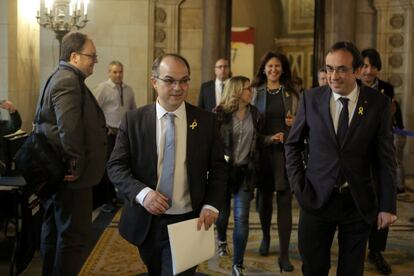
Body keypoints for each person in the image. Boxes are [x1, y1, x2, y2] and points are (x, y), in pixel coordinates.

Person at [107, 53, 228, 275]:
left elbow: (219, 168)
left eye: (184, 80)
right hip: (147, 222)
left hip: (189, 221)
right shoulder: (133, 121)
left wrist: (212, 204)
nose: (178, 87)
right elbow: (116, 166)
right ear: (154, 82)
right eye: (170, 80)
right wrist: (144, 194)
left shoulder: (205, 122)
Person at [285, 41, 397, 276]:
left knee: (351, 271)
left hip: (358, 201)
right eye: (329, 68)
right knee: (314, 269)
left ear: (357, 71)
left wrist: (387, 205)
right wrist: (299, 186)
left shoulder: (378, 104)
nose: (333, 76)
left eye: (341, 69)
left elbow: (385, 158)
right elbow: (293, 145)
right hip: (315, 199)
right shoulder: (310, 98)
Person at [37, 32, 107, 276]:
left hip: (61, 175)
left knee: (57, 233)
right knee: (73, 237)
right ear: (75, 56)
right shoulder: (68, 80)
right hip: (70, 179)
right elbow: (69, 128)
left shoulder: (64, 77)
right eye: (92, 56)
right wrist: (75, 167)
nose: (95, 61)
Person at [252, 51, 299, 272]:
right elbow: (250, 127)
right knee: (263, 200)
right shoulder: (254, 93)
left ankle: (284, 254)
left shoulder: (292, 93)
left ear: (283, 69)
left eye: (277, 66)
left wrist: (294, 124)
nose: (273, 70)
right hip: (262, 151)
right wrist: (267, 139)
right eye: (270, 66)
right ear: (263, 69)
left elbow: (302, 123)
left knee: (284, 200)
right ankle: (265, 236)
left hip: (285, 152)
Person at [360, 47, 403, 274]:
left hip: (379, 154)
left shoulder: (386, 89)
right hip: (357, 157)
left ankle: (376, 250)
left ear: (378, 68)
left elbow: (395, 119)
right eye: (364, 66)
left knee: (381, 202)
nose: (368, 71)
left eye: (372, 66)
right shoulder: (352, 88)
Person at [213, 76, 261, 276]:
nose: (252, 91)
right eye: (248, 88)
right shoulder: (220, 114)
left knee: (242, 218)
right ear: (237, 91)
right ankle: (222, 239)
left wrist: (271, 139)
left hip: (245, 174)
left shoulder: (256, 114)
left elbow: (257, 139)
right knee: (223, 216)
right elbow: (212, 144)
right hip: (224, 173)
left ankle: (237, 264)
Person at [94, 60, 136, 212]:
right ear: (109, 72)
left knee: (120, 165)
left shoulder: (129, 89)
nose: (118, 75)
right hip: (108, 134)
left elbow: (132, 111)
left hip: (123, 133)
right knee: (107, 166)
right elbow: (93, 109)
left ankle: (114, 196)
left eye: (120, 72)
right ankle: (106, 199)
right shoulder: (103, 88)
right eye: (114, 72)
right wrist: (102, 127)